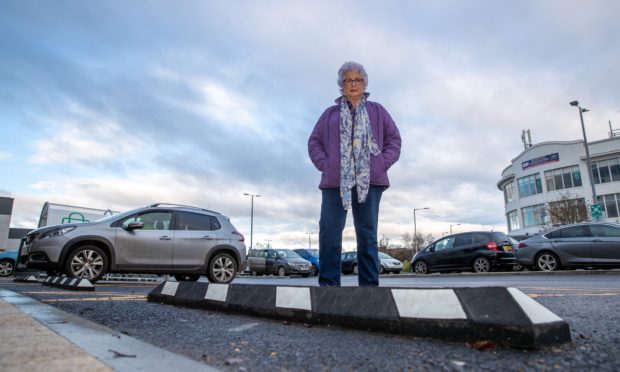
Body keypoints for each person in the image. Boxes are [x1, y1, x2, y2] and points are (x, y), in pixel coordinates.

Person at [308, 61, 402, 287]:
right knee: (330, 233)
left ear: (364, 83)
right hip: (334, 182)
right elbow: (314, 142)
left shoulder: (377, 111)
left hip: (369, 180)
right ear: (341, 84)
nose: (353, 84)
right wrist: (326, 164)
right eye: (348, 80)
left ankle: (369, 288)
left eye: (358, 79)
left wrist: (380, 163)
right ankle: (329, 287)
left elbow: (394, 140)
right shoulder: (329, 114)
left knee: (367, 234)